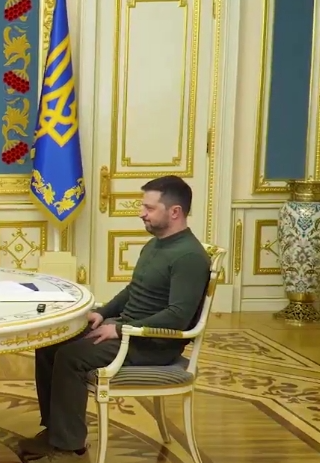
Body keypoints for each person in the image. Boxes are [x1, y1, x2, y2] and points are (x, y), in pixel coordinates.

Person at [18, 175, 211, 462]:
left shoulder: (189, 257)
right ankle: (56, 430)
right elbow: (134, 290)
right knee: (50, 343)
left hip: (153, 343)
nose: (141, 213)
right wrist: (103, 313)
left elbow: (177, 317)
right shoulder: (156, 244)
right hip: (128, 330)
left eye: (149, 208)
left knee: (70, 356)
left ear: (175, 212)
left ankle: (68, 445)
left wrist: (120, 329)